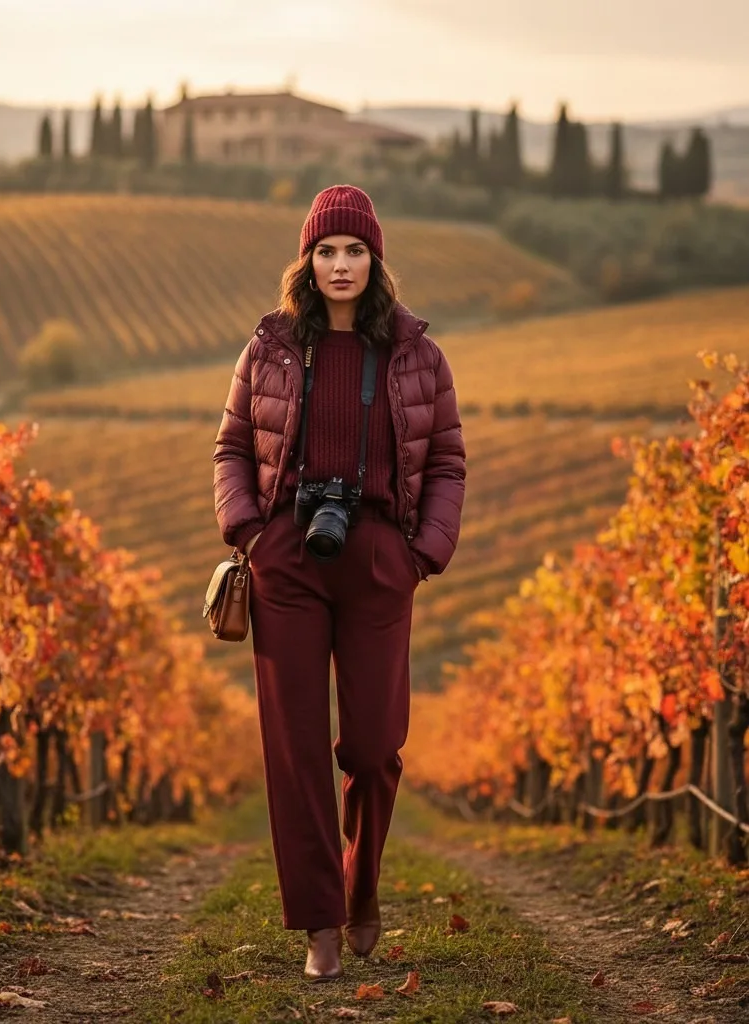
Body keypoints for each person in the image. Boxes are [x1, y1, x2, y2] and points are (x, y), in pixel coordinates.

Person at [212, 184, 466, 981]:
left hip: (381, 560)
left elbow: (450, 460)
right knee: (293, 749)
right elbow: (229, 448)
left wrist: (422, 553)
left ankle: (361, 886)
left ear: (376, 259)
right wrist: (251, 530)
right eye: (326, 250)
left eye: (354, 250)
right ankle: (320, 923)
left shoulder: (418, 354)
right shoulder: (272, 347)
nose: (341, 265)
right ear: (307, 260)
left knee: (375, 746)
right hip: (287, 557)